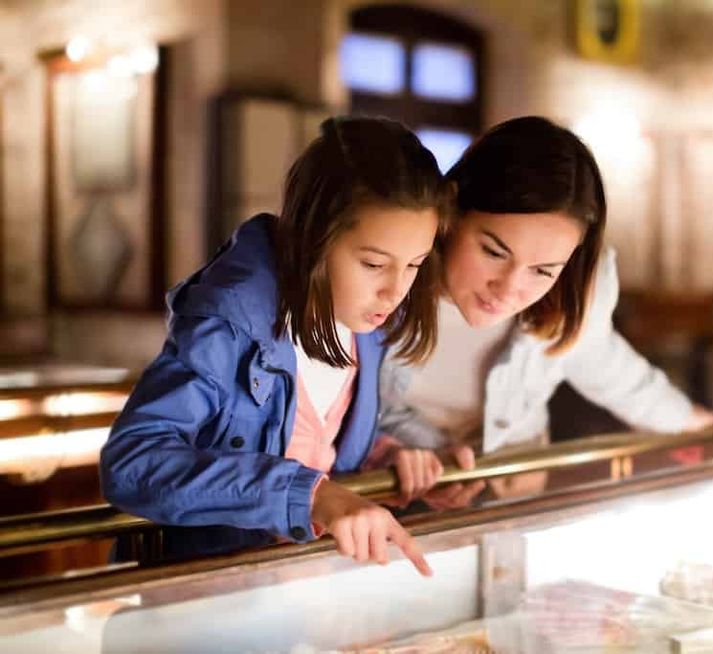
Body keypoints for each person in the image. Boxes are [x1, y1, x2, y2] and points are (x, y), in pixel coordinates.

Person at [100, 117, 453, 575]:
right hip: (203, 591)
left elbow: (315, 443)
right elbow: (133, 463)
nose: (396, 291)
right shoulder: (229, 325)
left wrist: (385, 456)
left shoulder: (369, 327)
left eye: (414, 265)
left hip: (301, 585)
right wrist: (308, 495)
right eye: (373, 264)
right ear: (313, 238)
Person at [379, 116, 713, 506]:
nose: (508, 288)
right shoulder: (386, 276)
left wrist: (689, 421)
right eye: (493, 252)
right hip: (392, 487)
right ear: (452, 210)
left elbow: (605, 365)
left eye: (542, 271)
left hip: (513, 489)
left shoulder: (573, 293)